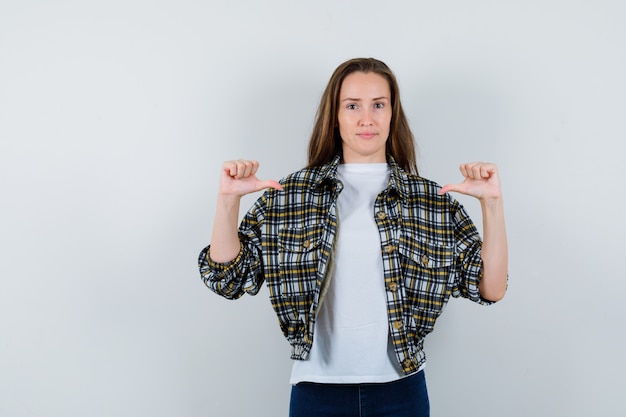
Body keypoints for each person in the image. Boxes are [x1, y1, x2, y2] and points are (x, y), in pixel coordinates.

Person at [198, 57, 508, 417]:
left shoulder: (429, 199)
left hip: (401, 392)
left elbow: (491, 288)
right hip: (317, 393)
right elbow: (228, 279)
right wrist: (227, 201)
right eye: (352, 106)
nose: (366, 118)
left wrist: (492, 206)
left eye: (378, 104)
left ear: (393, 113)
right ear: (335, 115)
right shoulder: (293, 194)